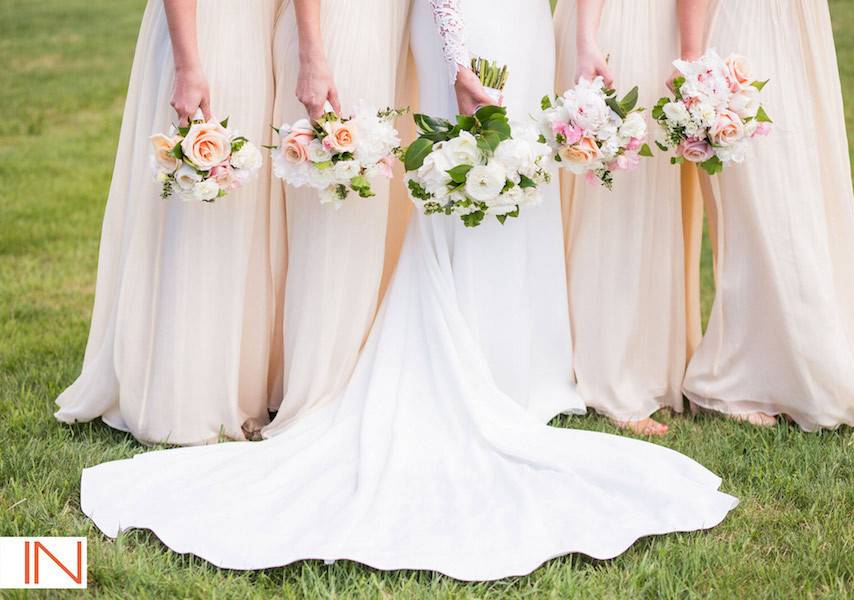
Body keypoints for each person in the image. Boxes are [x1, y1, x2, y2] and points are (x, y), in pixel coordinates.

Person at [78, 1, 736, 580]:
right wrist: (453, 51)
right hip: (454, 20)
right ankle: (424, 369)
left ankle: (522, 370)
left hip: (516, 18)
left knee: (509, 182)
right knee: (455, 180)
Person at [54, 0, 285, 445]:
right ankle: (185, 395)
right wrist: (187, 64)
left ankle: (236, 380)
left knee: (238, 214)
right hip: (208, 32)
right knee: (200, 214)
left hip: (256, 31)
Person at [679, 0, 854, 430]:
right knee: (763, 198)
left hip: (799, 29)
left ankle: (803, 363)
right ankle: (736, 376)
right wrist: (691, 57)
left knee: (803, 191)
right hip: (748, 28)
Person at [262, 0, 411, 436]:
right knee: (334, 227)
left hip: (384, 35)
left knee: (365, 220)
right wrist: (313, 53)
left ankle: (354, 377)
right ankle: (319, 392)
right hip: (339, 35)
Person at [553, 0, 686, 435]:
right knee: (613, 203)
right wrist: (589, 38)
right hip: (616, 24)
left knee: (642, 197)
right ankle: (607, 372)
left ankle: (637, 362)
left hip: (655, 26)